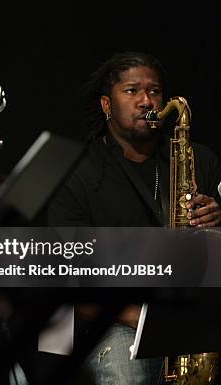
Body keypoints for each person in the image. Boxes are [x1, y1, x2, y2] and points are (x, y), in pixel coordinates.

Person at [47, 51, 221, 384]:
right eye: (131, 91)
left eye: (154, 91)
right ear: (106, 105)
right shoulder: (76, 173)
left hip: (194, 312)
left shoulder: (200, 159)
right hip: (116, 319)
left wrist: (218, 220)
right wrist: (142, 317)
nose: (146, 101)